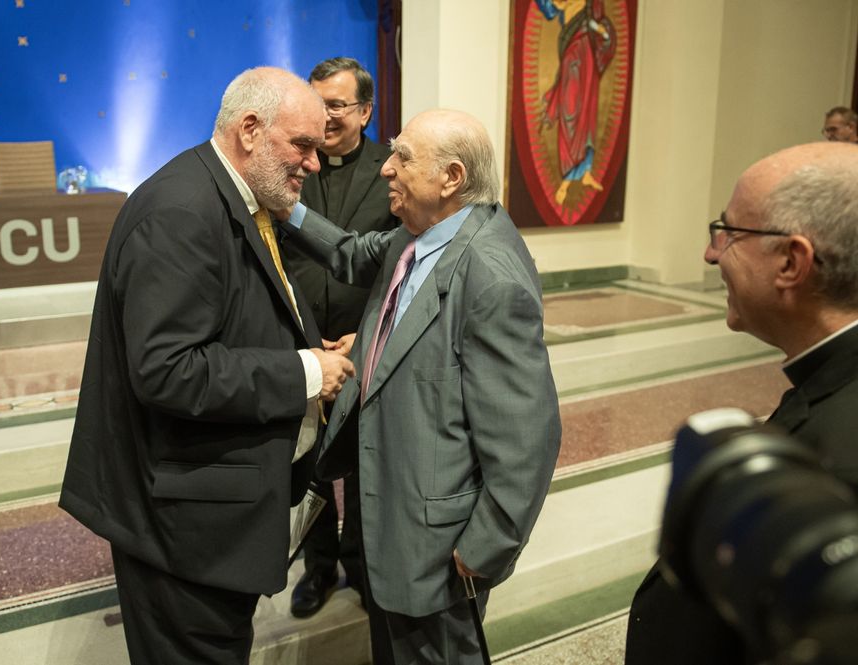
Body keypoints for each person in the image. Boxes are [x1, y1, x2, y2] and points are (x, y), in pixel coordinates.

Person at [58, 66, 356, 665]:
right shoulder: (182, 212)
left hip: (208, 516)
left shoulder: (232, 192)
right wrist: (305, 373)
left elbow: (230, 318)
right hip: (180, 529)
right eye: (302, 145)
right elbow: (168, 369)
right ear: (249, 129)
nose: (315, 164)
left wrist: (308, 353)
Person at [281, 109, 562, 664]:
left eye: (403, 157)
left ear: (451, 178)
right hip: (394, 516)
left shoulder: (489, 274)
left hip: (439, 548)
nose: (386, 169)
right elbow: (351, 256)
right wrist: (283, 206)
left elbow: (527, 438)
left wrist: (486, 547)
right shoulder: (416, 237)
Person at [625, 141, 858, 664]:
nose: (711, 252)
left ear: (791, 262)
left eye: (729, 232)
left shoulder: (842, 462)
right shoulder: (829, 383)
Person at [283, 56, 399, 619]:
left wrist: (370, 330)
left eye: (336, 104)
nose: (324, 116)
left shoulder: (392, 169)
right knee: (306, 461)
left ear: (365, 110)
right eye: (317, 102)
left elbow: (395, 262)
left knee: (360, 459)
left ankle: (361, 561)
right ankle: (319, 566)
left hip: (365, 341)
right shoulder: (288, 162)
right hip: (300, 342)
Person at [536, 0, 616, 205]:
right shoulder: (564, 8)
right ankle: (567, 179)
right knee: (569, 116)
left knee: (586, 119)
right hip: (571, 61)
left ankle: (585, 172)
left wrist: (601, 31)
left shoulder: (590, 7)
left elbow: (605, 31)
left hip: (586, 64)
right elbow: (551, 8)